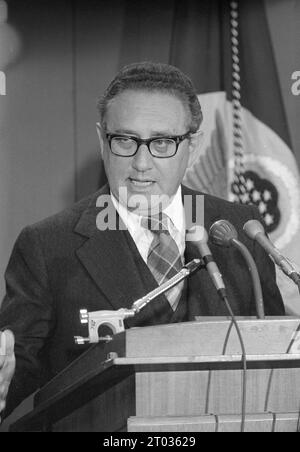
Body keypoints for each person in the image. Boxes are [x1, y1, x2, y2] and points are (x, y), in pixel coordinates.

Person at [0, 62, 285, 421]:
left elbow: (276, 351)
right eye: (125, 141)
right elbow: (15, 367)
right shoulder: (47, 245)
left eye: (162, 142)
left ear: (192, 146)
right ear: (103, 141)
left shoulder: (241, 230)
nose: (141, 163)